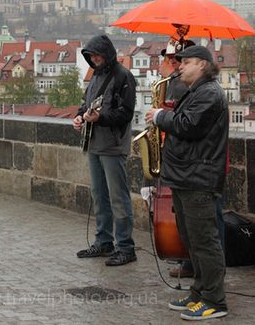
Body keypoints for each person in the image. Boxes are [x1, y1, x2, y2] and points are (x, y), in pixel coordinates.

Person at [146, 45, 228, 321]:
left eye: (187, 62)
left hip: (199, 177)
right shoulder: (196, 91)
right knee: (191, 240)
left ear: (203, 65)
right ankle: (199, 292)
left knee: (204, 241)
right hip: (185, 175)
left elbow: (188, 126)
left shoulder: (209, 93)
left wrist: (159, 117)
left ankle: (215, 301)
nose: (180, 66)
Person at [73, 34, 137, 266]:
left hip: (113, 145)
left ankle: (125, 246)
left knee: (118, 198)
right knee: (99, 196)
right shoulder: (95, 76)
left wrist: (100, 117)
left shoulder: (123, 76)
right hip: (94, 143)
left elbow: (126, 113)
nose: (94, 58)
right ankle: (104, 241)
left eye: (98, 54)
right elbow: (85, 103)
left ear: (107, 54)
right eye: (91, 56)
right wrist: (80, 117)